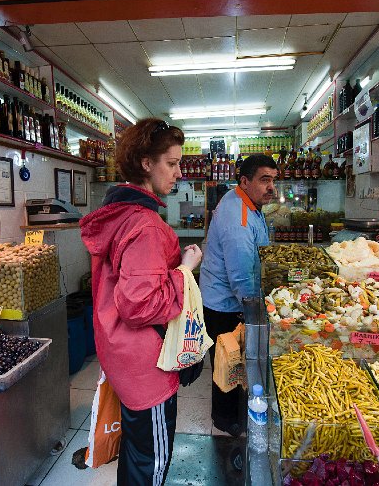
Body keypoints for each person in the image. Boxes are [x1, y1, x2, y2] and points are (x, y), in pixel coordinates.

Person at [80, 118, 202, 486]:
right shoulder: (146, 225)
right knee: (152, 460)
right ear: (147, 163)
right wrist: (184, 268)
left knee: (136, 454)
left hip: (120, 353)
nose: (179, 172)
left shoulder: (117, 214)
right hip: (147, 365)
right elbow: (140, 306)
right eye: (172, 163)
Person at [199, 153, 278, 436]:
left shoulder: (246, 203)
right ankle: (228, 422)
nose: (271, 187)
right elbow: (242, 277)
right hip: (225, 306)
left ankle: (230, 416)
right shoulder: (240, 219)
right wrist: (259, 312)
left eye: (273, 180)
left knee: (231, 365)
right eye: (264, 180)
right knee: (228, 366)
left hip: (226, 300)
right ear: (244, 181)